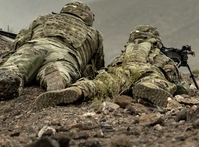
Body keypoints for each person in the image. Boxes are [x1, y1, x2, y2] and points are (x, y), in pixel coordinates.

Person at [42, 24, 188, 108]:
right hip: (146, 71)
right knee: (153, 80)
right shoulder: (157, 54)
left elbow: (108, 68)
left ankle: (77, 90)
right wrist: (183, 88)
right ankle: (148, 88)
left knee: (99, 84)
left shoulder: (124, 54)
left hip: (120, 70)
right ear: (156, 41)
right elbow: (175, 79)